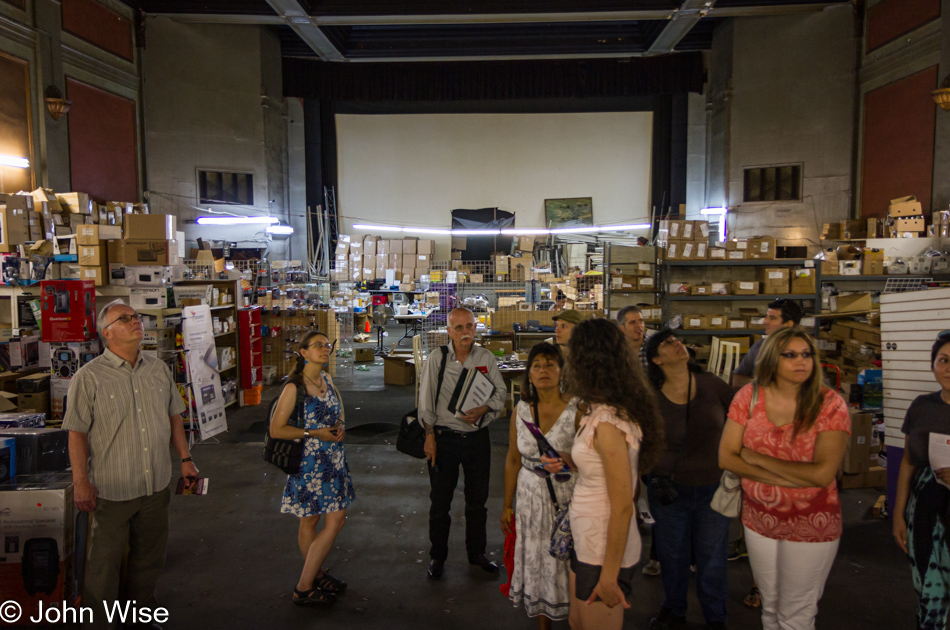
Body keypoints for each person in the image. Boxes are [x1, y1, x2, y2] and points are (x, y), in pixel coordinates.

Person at [64, 300, 195, 630]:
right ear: (108, 334)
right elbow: (76, 433)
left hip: (155, 485)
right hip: (112, 488)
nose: (136, 321)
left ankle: (141, 616)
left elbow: (174, 417)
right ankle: (99, 623)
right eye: (125, 319)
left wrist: (186, 459)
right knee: (104, 564)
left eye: (136, 317)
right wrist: (81, 482)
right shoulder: (89, 378)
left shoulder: (158, 369)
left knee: (149, 558)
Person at [719, 327, 850, 630]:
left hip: (811, 522)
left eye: (806, 354)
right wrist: (793, 478)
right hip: (758, 519)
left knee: (796, 615)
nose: (800, 361)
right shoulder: (749, 397)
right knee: (770, 608)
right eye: (789, 355)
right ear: (770, 360)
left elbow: (822, 474)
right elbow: (726, 458)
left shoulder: (830, 405)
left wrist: (754, 458)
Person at [553, 318, 664, 630]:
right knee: (577, 622)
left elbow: (624, 504)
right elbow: (602, 469)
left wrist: (609, 576)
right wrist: (568, 459)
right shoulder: (598, 410)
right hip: (588, 539)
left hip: (603, 547)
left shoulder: (608, 422)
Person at [644, 329, 736, 630]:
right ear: (656, 359)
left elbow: (742, 416)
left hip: (713, 487)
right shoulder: (650, 395)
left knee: (712, 558)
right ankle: (674, 609)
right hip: (669, 490)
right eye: (667, 343)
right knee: (673, 556)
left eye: (676, 340)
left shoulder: (711, 384)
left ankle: (716, 617)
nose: (676, 344)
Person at [421, 307, 508, 579]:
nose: (465, 332)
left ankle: (477, 553)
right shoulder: (438, 358)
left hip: (476, 440)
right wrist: (430, 436)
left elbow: (500, 393)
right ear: (449, 331)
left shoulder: (486, 358)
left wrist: (485, 409)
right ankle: (437, 555)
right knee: (440, 502)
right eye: (458, 328)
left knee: (477, 501)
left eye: (470, 326)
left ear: (476, 328)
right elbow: (426, 400)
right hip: (444, 439)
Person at [501, 342, 582, 629]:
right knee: (536, 558)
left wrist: (568, 460)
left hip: (567, 499)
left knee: (568, 560)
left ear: (562, 371)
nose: (543, 370)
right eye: (536, 366)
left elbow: (592, 458)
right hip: (528, 500)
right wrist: (506, 505)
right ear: (529, 375)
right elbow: (512, 459)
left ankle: (576, 617)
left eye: (550, 364)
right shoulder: (521, 410)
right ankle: (543, 622)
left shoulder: (578, 409)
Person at [271, 330, 355, 606]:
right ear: (304, 353)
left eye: (326, 345)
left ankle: (316, 575)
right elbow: (276, 430)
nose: (324, 349)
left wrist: (339, 427)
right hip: (309, 465)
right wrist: (315, 433)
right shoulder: (294, 387)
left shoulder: (327, 380)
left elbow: (336, 414)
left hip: (333, 461)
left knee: (322, 520)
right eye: (317, 345)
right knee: (324, 520)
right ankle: (304, 586)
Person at [893, 331, 950, 630]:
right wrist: (899, 515)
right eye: (943, 360)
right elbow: (908, 463)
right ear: (933, 366)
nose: (949, 368)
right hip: (925, 511)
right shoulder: (921, 407)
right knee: (928, 590)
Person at [731, 299, 804, 388]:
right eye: (766, 317)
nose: (764, 322)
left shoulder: (802, 351)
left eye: (772, 318)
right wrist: (760, 384)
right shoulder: (760, 345)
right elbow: (737, 379)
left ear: (789, 324)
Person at [617, 305, 650, 370]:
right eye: (632, 322)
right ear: (622, 328)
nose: (638, 325)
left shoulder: (654, 347)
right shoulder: (616, 349)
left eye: (640, 321)